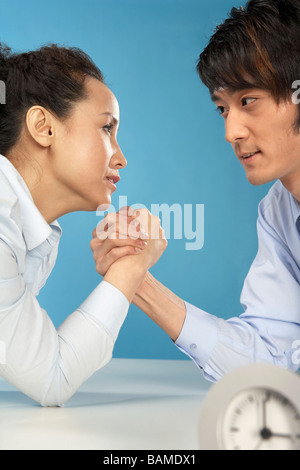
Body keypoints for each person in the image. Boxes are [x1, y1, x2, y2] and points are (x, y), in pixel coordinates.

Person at [91, 0, 300, 382]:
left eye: (248, 101)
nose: (231, 132)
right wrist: (136, 280)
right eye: (223, 108)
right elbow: (272, 363)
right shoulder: (279, 212)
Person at [0, 43, 167, 406]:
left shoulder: (32, 232)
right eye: (107, 127)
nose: (120, 158)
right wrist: (133, 265)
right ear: (43, 127)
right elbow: (51, 377)